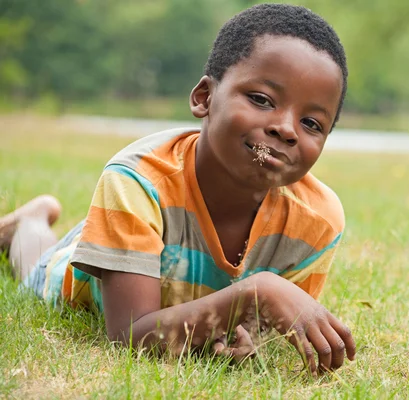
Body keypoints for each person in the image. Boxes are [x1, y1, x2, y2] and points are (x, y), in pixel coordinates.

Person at [0, 3, 355, 375]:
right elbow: (128, 335)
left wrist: (240, 337)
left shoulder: (317, 222)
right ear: (204, 98)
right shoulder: (137, 181)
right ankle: (30, 221)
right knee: (34, 270)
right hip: (96, 277)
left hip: (162, 272)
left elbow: (258, 326)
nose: (285, 129)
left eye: (311, 123)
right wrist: (258, 291)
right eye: (261, 100)